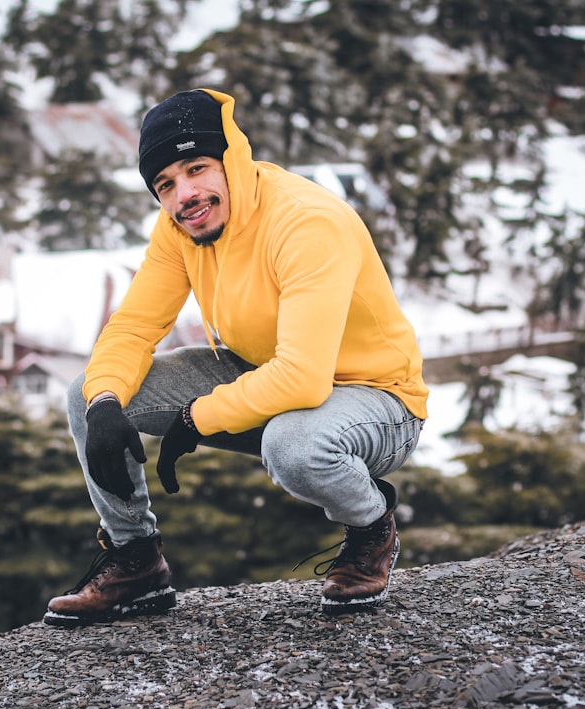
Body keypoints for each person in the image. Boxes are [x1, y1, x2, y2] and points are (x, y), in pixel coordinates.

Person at [43, 88, 428, 627]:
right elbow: (133, 326)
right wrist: (106, 402)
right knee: (86, 393)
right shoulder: (181, 227)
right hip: (259, 372)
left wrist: (195, 418)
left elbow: (302, 379)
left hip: (377, 400)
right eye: (166, 184)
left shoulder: (304, 222)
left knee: (293, 443)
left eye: (197, 167)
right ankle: (135, 561)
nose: (185, 194)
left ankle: (371, 527)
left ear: (232, 159)